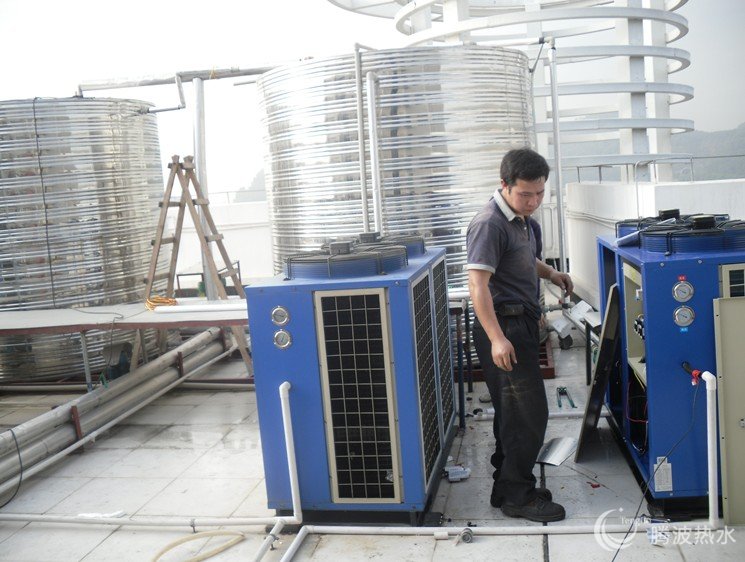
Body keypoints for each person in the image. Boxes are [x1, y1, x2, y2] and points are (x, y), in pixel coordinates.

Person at [466, 147, 573, 523]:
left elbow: (525, 259)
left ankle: (506, 481)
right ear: (504, 185)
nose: (534, 201)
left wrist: (552, 274)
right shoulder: (490, 224)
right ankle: (517, 496)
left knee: (514, 414)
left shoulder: (524, 221)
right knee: (528, 416)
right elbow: (478, 286)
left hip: (522, 324)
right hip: (503, 326)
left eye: (540, 193)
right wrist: (496, 338)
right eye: (525, 194)